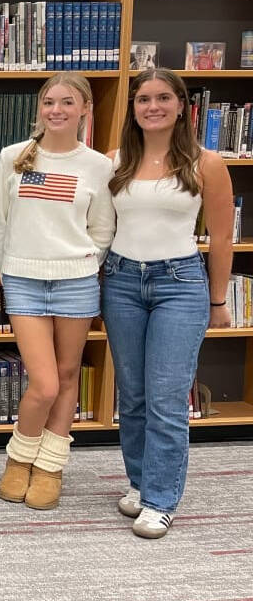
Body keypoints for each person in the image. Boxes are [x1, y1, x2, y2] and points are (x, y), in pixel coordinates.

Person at [102, 67, 233, 539]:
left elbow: (221, 239)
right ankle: (140, 482)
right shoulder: (114, 162)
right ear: (132, 108)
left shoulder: (206, 163)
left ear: (182, 105)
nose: (152, 107)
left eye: (162, 98)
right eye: (142, 99)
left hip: (179, 284)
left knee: (166, 399)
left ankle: (161, 499)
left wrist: (218, 300)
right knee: (132, 396)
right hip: (121, 281)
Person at [0, 72, 115, 510]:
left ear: (84, 110)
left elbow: (101, 229)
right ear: (39, 108)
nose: (56, 110)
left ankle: (50, 466)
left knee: (66, 376)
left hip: (76, 281)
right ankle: (19, 458)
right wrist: (7, 265)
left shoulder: (98, 165)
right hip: (23, 278)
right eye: (49, 102)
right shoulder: (12, 157)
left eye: (67, 102)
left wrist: (81, 264)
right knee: (42, 382)